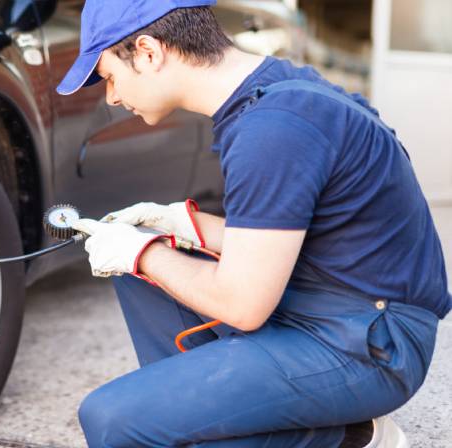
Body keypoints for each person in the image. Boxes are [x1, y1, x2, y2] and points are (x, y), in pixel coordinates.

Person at [56, 0, 452, 447]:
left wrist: (142, 252)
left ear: (148, 52)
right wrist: (178, 224)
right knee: (140, 272)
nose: (111, 96)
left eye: (110, 76)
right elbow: (298, 234)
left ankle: (345, 438)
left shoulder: (274, 127)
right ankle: (218, 416)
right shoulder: (274, 90)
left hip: (370, 344)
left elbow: (243, 304)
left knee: (112, 419)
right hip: (336, 298)